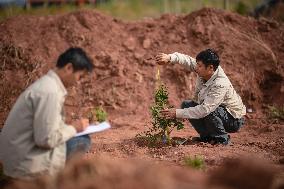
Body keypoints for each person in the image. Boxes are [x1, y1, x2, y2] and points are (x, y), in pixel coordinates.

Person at [0, 47, 94, 179]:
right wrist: (74, 128)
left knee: (76, 138)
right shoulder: (50, 92)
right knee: (82, 141)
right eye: (80, 76)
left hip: (17, 154)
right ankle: (55, 181)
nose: (78, 82)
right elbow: (46, 139)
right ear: (69, 68)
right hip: (23, 165)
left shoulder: (47, 85)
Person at [155, 49, 246, 145]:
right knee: (187, 105)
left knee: (210, 111)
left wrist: (177, 113)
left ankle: (222, 139)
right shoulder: (204, 69)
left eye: (199, 66)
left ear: (210, 68)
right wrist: (169, 57)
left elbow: (205, 109)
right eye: (197, 64)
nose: (196, 68)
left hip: (233, 119)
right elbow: (187, 60)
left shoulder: (220, 84)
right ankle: (207, 138)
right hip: (217, 110)